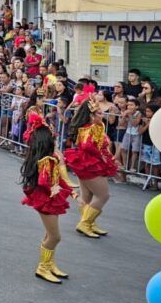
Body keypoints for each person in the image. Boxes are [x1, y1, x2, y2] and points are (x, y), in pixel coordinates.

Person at [20, 113, 76, 284]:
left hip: (50, 197)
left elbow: (57, 179)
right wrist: (56, 189)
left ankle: (49, 264)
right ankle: (43, 267)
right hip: (46, 199)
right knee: (55, 236)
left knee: (50, 234)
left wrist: (70, 191)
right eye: (53, 137)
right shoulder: (47, 160)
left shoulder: (50, 157)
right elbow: (45, 181)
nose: (55, 139)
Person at [63, 92, 118, 239]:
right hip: (90, 164)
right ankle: (85, 223)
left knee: (87, 197)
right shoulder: (91, 128)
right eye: (99, 113)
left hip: (85, 163)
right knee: (103, 195)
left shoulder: (92, 126)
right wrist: (101, 156)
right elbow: (87, 145)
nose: (102, 115)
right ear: (91, 116)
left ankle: (90, 223)